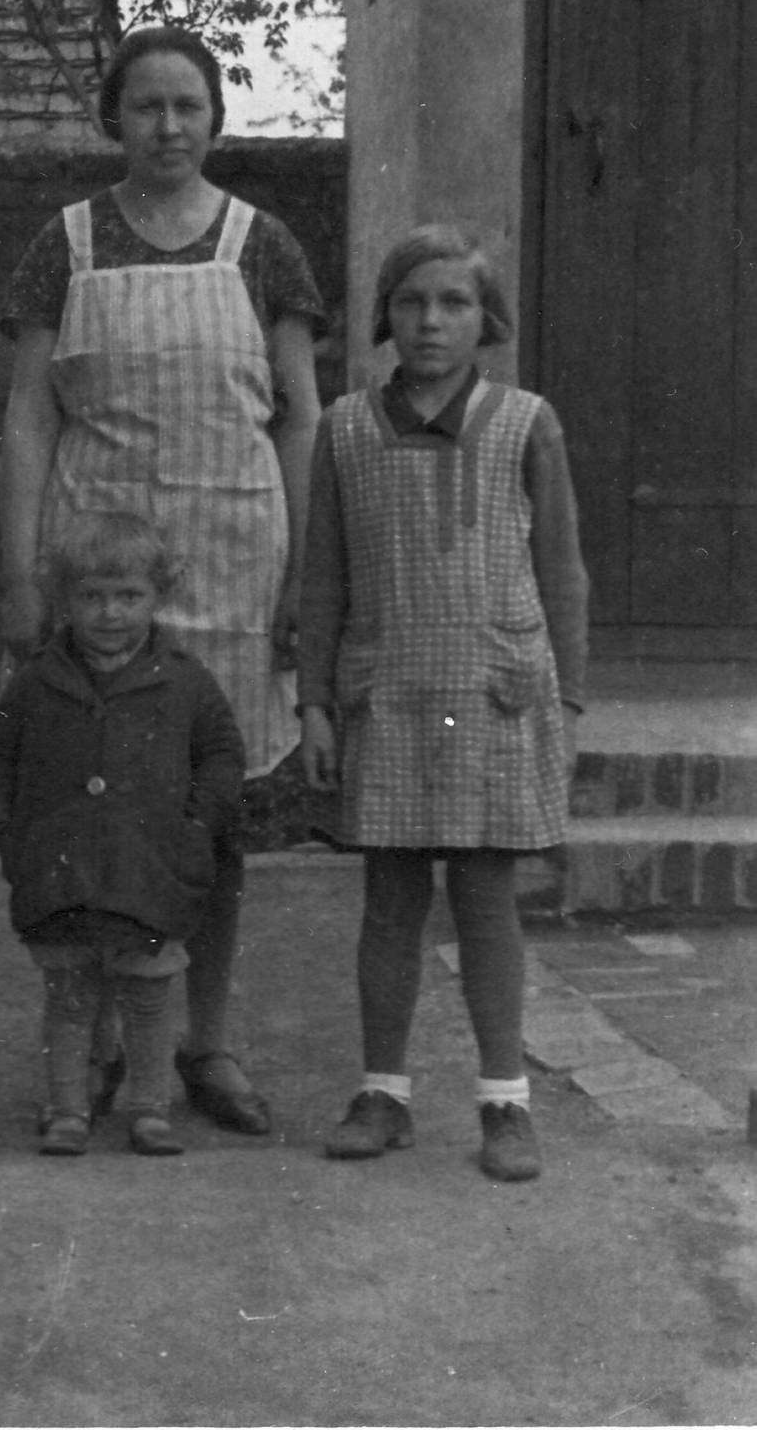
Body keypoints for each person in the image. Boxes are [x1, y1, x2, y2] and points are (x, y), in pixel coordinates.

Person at [0, 25, 324, 1134]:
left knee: (207, 820)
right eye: (147, 106)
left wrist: (302, 578)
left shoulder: (262, 244)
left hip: (235, 571)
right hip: (100, 577)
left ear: (215, 117)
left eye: (189, 105)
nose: (169, 126)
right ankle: (99, 1043)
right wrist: (22, 577)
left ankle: (205, 1042)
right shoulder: (65, 244)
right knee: (98, 810)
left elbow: (300, 417)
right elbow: (28, 416)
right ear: (115, 118)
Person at [298, 224, 588, 1183]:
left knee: (484, 897)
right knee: (389, 902)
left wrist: (567, 702)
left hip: (493, 695)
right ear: (385, 314)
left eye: (453, 303)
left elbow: (562, 572)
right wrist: (314, 702)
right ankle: (383, 1093)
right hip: (386, 693)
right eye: (411, 302)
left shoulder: (525, 422)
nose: (430, 321)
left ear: (484, 319)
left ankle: (505, 1102)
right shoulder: (345, 428)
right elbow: (323, 580)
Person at [0, 511, 245, 1156]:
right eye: (92, 596)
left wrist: (196, 825)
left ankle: (150, 1109)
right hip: (60, 869)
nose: (110, 613)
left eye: (129, 596)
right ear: (64, 598)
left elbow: (222, 754)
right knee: (69, 996)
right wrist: (4, 829)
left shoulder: (184, 680)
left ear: (159, 596)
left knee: (148, 993)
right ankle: (67, 1109)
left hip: (149, 870)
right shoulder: (36, 681)